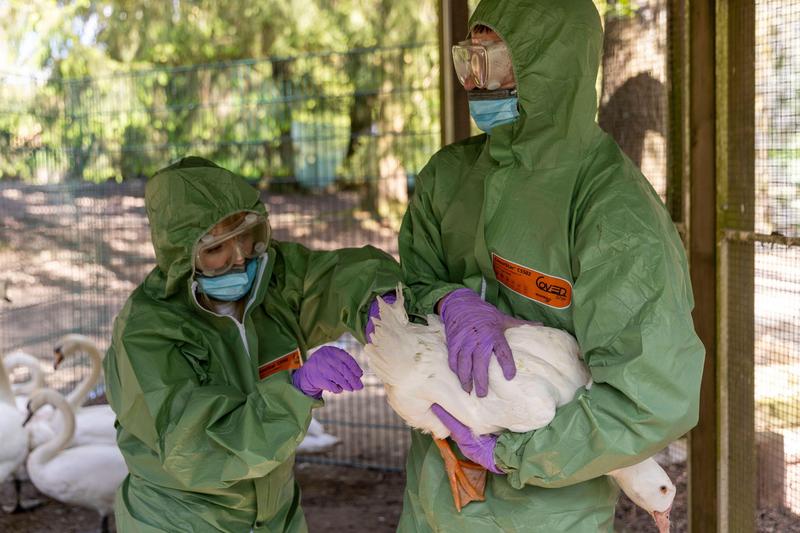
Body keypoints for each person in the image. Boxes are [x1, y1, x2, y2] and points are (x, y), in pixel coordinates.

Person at [397, 0, 705, 530]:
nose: (474, 79)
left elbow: (648, 398)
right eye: (468, 58)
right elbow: (410, 284)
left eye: (492, 59)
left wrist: (512, 455)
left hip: (548, 511)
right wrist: (448, 299)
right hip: (434, 495)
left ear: (551, 66)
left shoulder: (614, 213)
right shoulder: (448, 177)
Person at [103, 156, 401, 532]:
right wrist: (294, 391)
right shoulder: (148, 334)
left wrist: (381, 300)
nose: (240, 257)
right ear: (180, 256)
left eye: (245, 235)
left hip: (274, 513)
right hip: (184, 519)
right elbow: (202, 452)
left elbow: (340, 277)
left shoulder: (272, 279)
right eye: (216, 249)